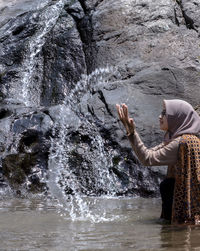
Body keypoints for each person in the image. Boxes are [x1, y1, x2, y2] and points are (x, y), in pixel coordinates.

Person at [116, 99, 200, 224]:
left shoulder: (181, 143)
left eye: (165, 113)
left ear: (177, 116)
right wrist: (130, 131)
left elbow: (148, 158)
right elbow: (148, 154)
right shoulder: (178, 140)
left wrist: (132, 133)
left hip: (182, 226)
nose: (160, 116)